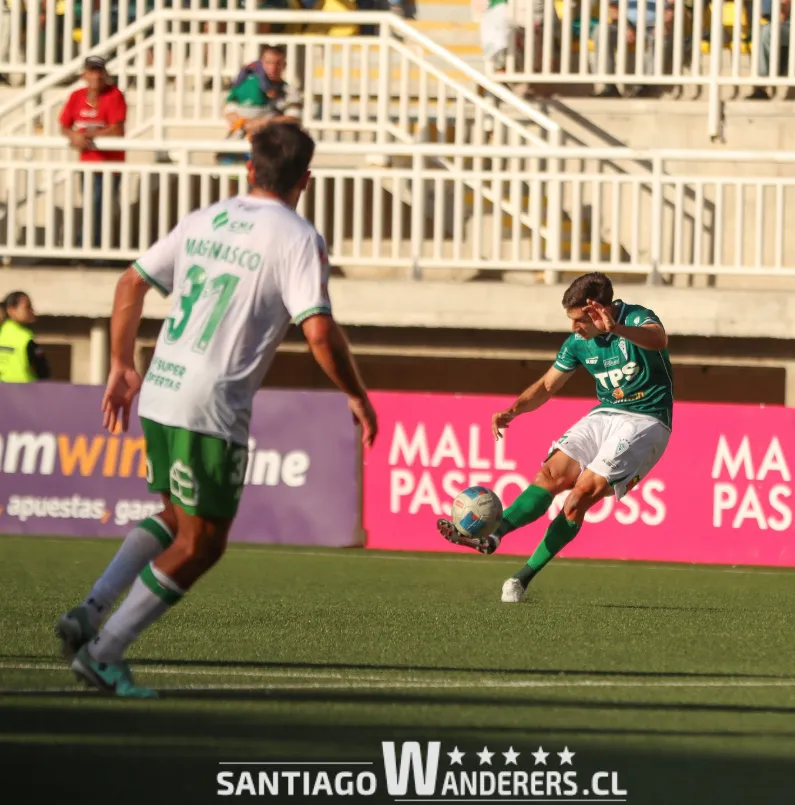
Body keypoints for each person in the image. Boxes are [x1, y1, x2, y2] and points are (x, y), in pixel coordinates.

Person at [56, 122, 378, 698]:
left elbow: (131, 283)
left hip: (161, 384)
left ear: (249, 169)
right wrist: (355, 392)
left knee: (179, 522)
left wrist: (120, 365)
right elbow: (320, 331)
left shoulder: (206, 218)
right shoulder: (298, 237)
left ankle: (90, 611)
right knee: (202, 544)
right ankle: (104, 654)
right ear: (306, 180)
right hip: (210, 400)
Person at [436, 272, 673, 603]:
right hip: (606, 414)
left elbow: (659, 339)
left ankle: (520, 579)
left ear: (596, 310)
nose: (574, 328)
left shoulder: (635, 318)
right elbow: (548, 385)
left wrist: (616, 329)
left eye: (578, 319)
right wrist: (514, 409)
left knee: (579, 496)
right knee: (550, 475)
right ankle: (494, 537)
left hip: (647, 420)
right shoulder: (577, 342)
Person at [59, 56, 127, 251]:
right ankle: (89, 246)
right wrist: (73, 135)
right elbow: (64, 125)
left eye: (99, 72)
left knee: (100, 207)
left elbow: (117, 128)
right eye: (91, 71)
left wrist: (89, 136)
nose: (95, 76)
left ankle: (91, 247)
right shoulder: (76, 96)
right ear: (84, 75)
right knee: (91, 205)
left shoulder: (114, 95)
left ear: (105, 74)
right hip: (88, 162)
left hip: (109, 164)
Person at [219, 45, 302, 167]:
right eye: (268, 63)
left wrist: (263, 123)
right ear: (260, 64)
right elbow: (228, 110)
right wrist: (243, 123)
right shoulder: (246, 87)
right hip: (239, 141)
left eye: (277, 63)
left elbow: (294, 118)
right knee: (228, 169)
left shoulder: (288, 91)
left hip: (269, 146)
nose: (272, 68)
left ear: (284, 66)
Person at [0, 291, 50, 382]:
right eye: (27, 307)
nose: (32, 311)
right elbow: (43, 371)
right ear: (11, 310)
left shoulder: (2, 333)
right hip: (24, 391)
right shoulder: (25, 338)